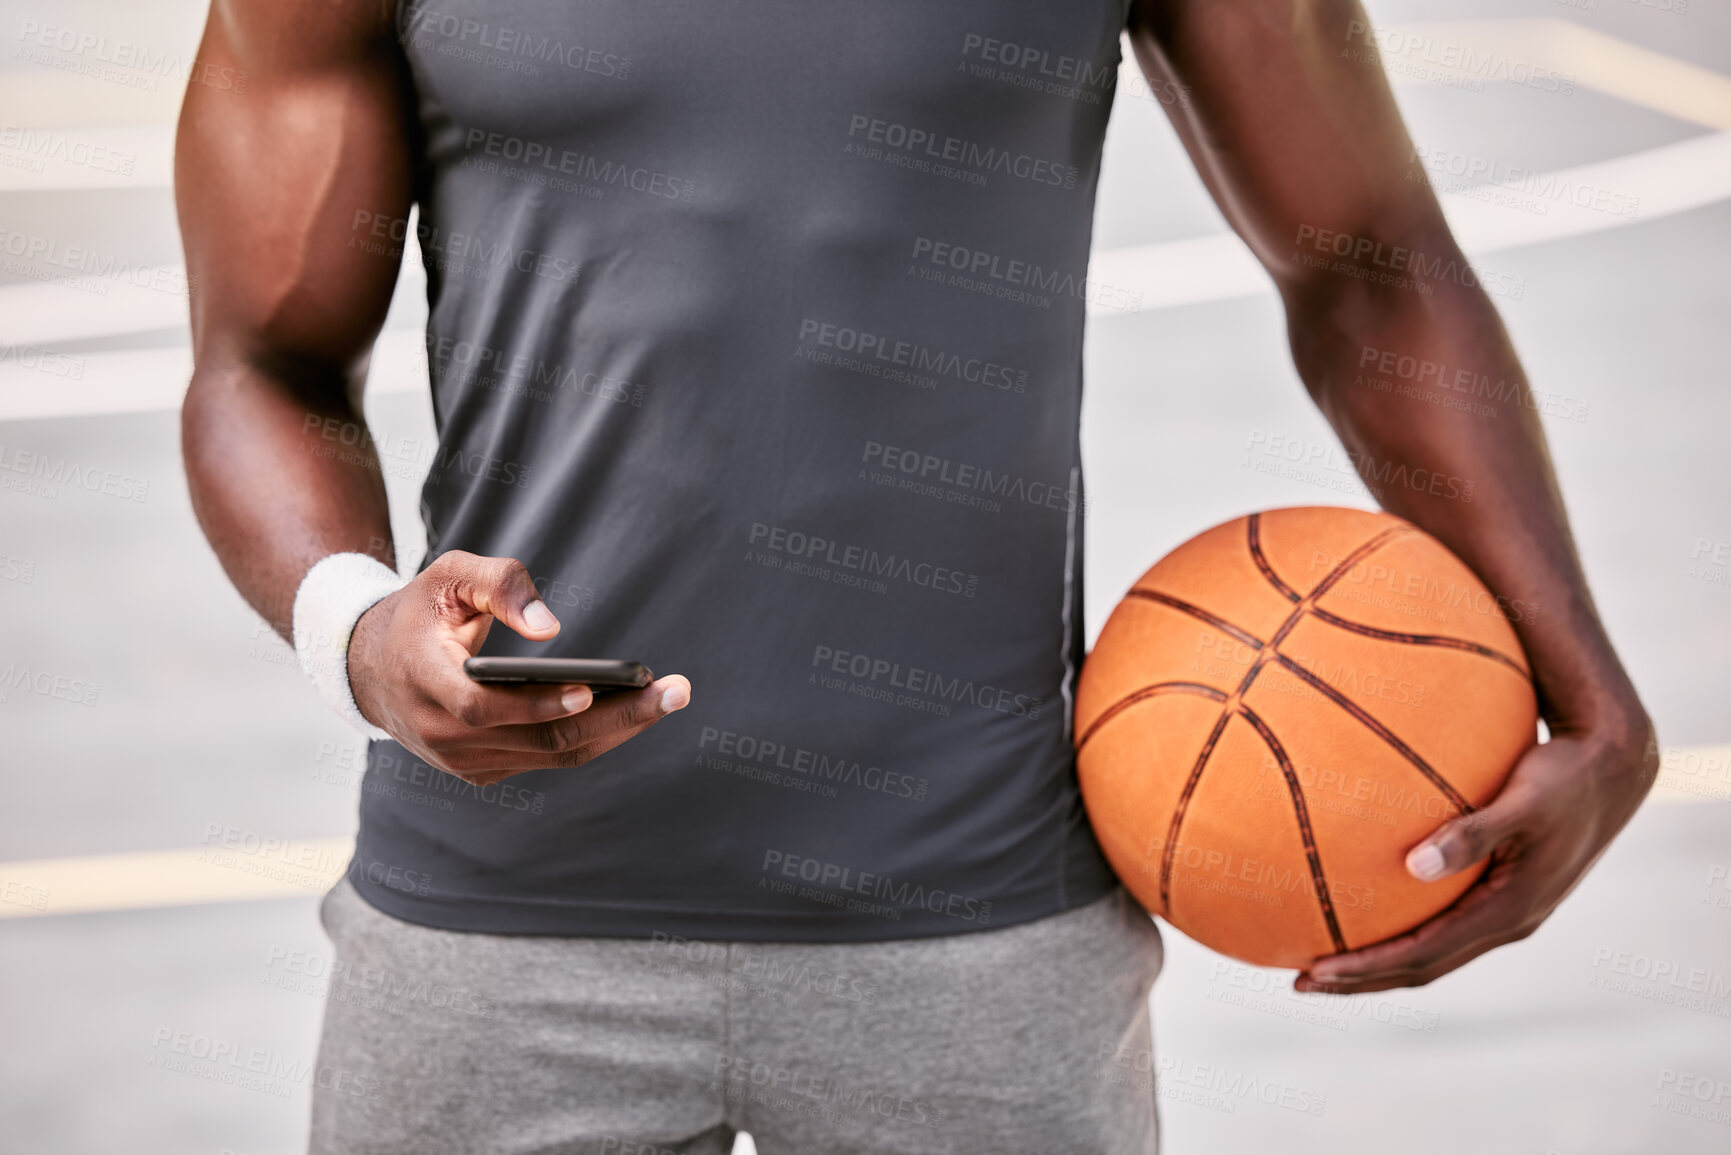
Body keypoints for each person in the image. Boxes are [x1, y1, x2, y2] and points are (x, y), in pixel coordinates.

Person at [175, 1, 1656, 1152]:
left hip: (978, 929)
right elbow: (262, 359)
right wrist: (356, 629)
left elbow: (1369, 262)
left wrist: (1589, 699)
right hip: (493, 931)